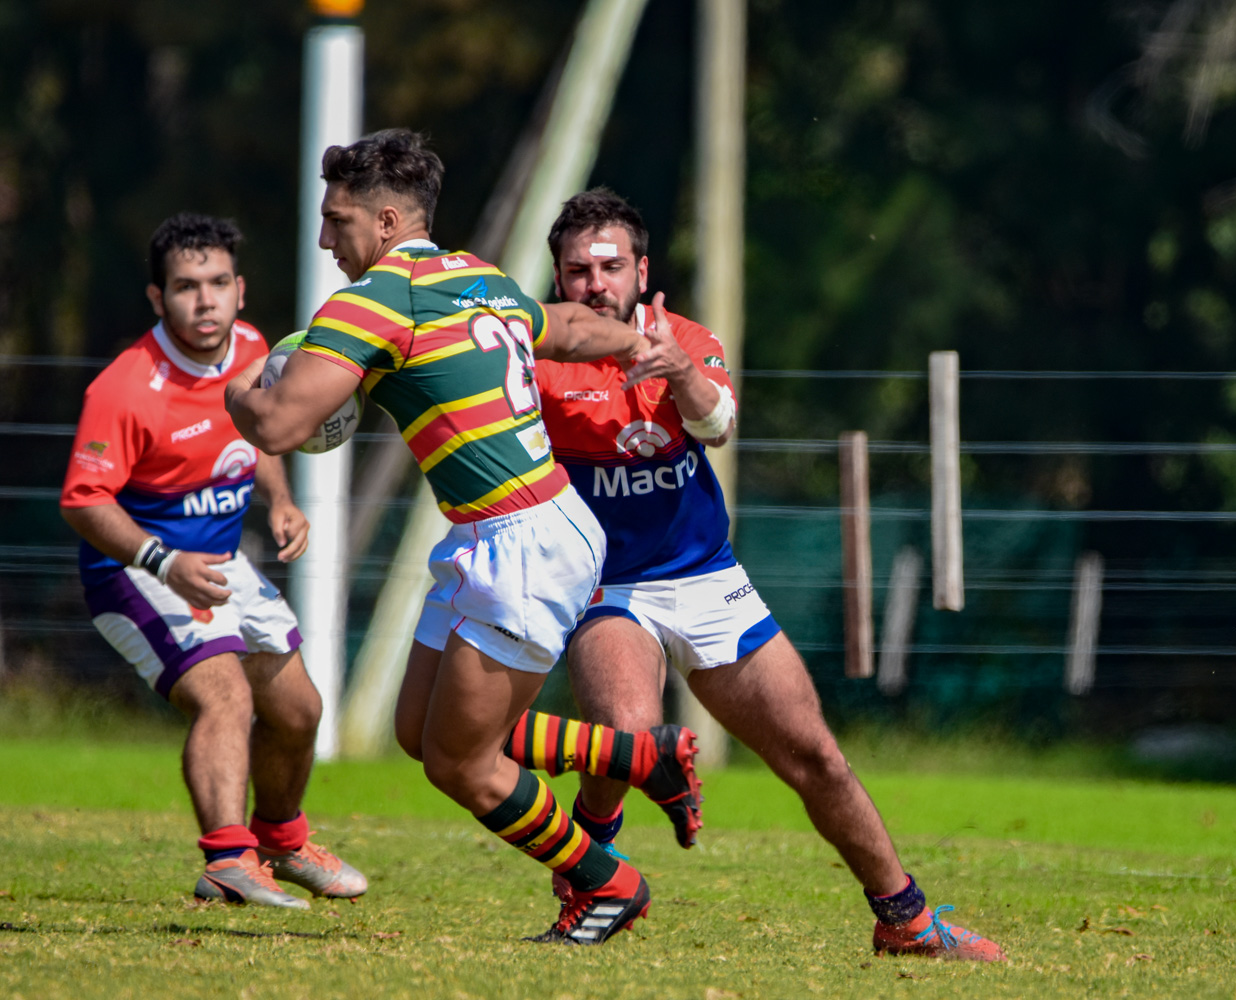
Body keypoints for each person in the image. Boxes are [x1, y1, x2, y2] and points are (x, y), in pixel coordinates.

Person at [507, 188, 1003, 961]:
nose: (595, 284)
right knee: (626, 736)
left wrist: (675, 373)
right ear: (558, 281)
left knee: (817, 757)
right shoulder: (534, 358)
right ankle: (592, 885)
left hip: (706, 578)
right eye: (577, 271)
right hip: (607, 587)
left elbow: (719, 425)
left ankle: (904, 918)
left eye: (610, 267)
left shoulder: (684, 339)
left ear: (643, 270)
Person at [224, 129, 692, 945]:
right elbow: (570, 330)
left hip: (523, 543)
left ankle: (607, 882)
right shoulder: (476, 275)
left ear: (388, 219)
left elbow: (282, 422)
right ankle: (638, 758)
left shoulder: (371, 301)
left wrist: (237, 390)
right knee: (420, 731)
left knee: (461, 763)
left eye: (337, 220)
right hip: (504, 534)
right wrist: (641, 343)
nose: (326, 239)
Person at [59, 213, 367, 910]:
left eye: (218, 283)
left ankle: (281, 841)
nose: (205, 301)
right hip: (135, 571)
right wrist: (163, 561)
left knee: (298, 709)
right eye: (186, 286)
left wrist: (281, 500)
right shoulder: (125, 387)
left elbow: (257, 435)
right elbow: (82, 499)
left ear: (241, 289)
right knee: (224, 694)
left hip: (223, 561)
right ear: (157, 298)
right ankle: (227, 859)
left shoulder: (256, 349)